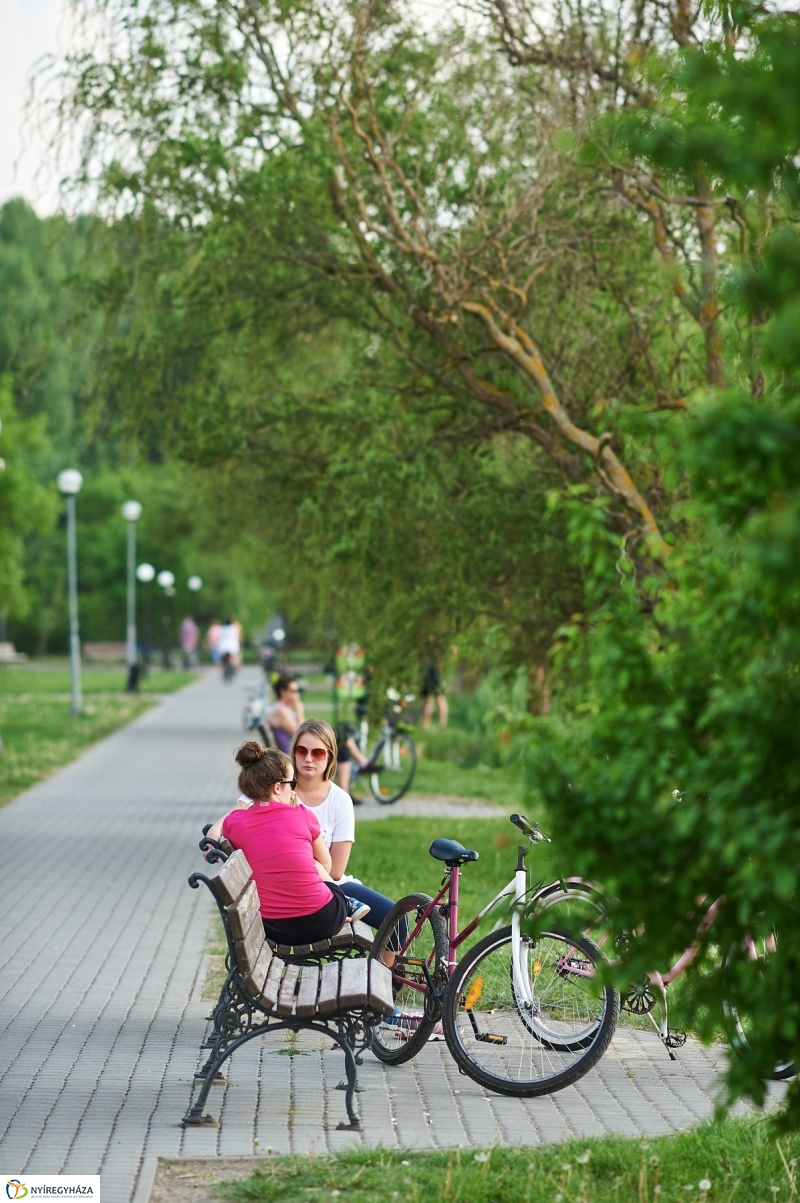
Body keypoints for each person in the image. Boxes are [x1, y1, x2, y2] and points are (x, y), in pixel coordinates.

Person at [206, 742, 369, 945]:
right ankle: (347, 903)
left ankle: (344, 904)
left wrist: (240, 806)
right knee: (313, 859)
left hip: (273, 928)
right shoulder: (303, 815)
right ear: (277, 788)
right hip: (322, 920)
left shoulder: (235, 822)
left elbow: (216, 831)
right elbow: (327, 865)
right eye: (292, 783)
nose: (294, 789)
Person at [290, 719, 396, 931]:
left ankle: (380, 967)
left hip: (332, 886)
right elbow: (241, 807)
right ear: (293, 753)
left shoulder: (340, 800)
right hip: (298, 890)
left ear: (329, 756)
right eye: (302, 751)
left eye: (317, 753)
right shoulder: (280, 790)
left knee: (397, 921)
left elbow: (336, 871)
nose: (308, 759)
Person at [267, 673, 306, 753]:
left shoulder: (283, 708)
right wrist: (299, 711)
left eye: (298, 691)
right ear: (283, 692)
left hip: (293, 752)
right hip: (289, 755)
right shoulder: (280, 711)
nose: (297, 694)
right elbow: (298, 734)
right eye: (293, 691)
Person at [421, 637, 448, 730]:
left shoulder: (439, 649)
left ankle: (442, 724)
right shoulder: (423, 646)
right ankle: (426, 725)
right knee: (426, 702)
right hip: (427, 677)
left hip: (435, 677)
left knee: (440, 700)